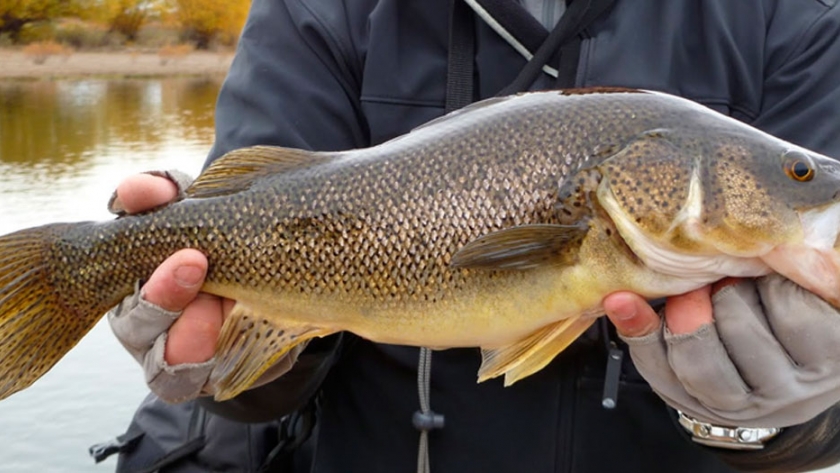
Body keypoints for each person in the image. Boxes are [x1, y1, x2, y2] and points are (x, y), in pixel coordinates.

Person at [101, 0, 840, 472]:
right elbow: (250, 389)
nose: (810, 183)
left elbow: (822, 425)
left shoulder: (796, 21)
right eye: (800, 174)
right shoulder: (318, 12)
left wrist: (784, 422)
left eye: (796, 174)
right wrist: (233, 364)